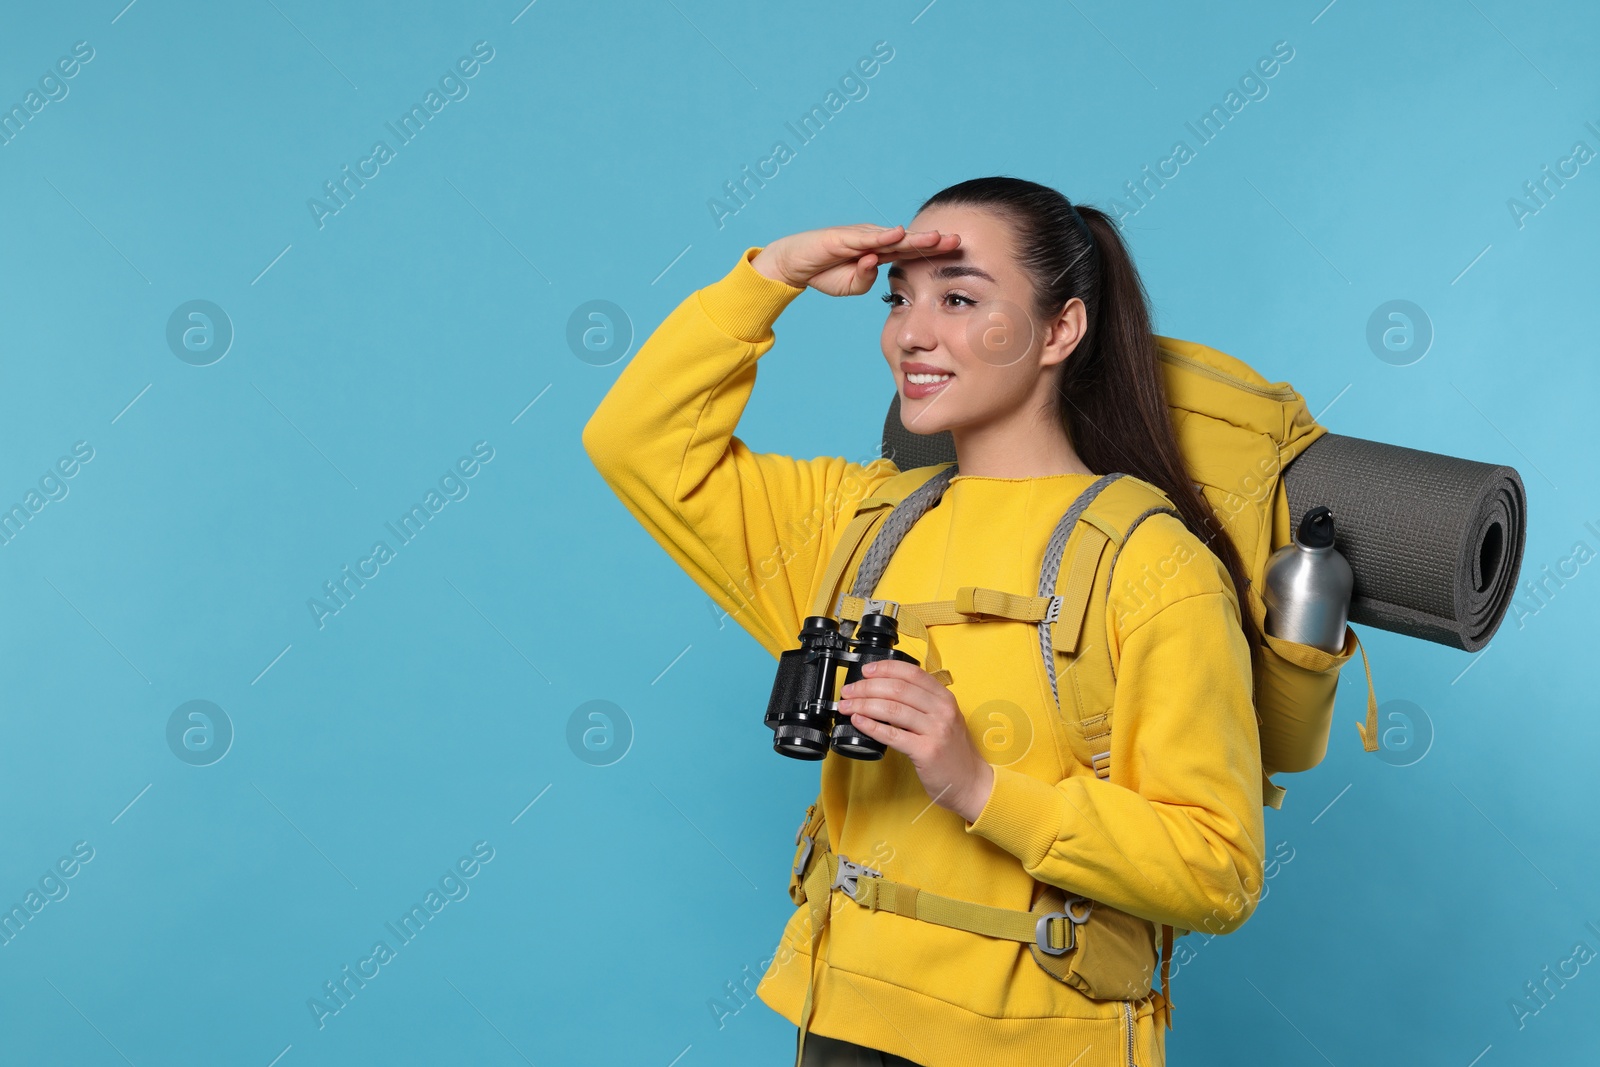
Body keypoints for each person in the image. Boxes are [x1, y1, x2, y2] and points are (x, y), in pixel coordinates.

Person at [582, 176, 1266, 1067]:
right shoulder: (858, 520)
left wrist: (981, 786)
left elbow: (1218, 870)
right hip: (842, 1019)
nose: (911, 331)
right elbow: (634, 442)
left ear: (1060, 329)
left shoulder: (1153, 564)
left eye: (958, 298)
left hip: (1034, 1044)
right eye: (899, 298)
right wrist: (774, 274)